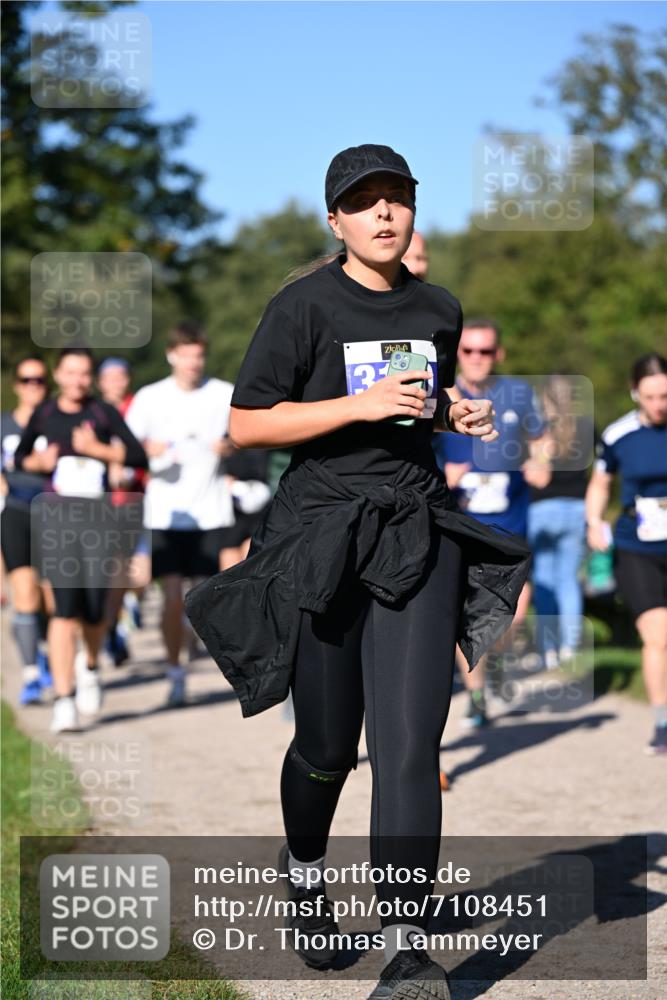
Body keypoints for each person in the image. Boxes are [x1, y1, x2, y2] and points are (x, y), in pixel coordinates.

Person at [185, 144, 531, 1000]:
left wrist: (458, 410)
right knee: (326, 748)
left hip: (416, 530)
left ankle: (408, 950)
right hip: (321, 538)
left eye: (396, 199)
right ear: (334, 220)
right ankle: (305, 871)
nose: (383, 214)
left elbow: (424, 401)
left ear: (413, 211)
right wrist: (359, 405)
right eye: (363, 202)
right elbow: (247, 425)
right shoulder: (302, 305)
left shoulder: (437, 307)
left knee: (410, 746)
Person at [14, 348, 147, 733]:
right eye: (70, 372)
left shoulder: (103, 414)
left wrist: (98, 451)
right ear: (58, 375)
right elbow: (20, 457)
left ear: (91, 378)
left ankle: (89, 666)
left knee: (93, 610)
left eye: (84, 373)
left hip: (99, 520)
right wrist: (37, 463)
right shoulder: (46, 414)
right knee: (64, 610)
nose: (77, 380)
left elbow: (138, 456)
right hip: (57, 520)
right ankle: (64, 700)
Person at [432, 319, 549, 727]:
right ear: (458, 354)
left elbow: (541, 440)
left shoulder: (517, 393)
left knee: (514, 615)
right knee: (469, 616)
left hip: (512, 523)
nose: (477, 359)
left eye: (485, 351)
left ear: (497, 354)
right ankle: (478, 695)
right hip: (463, 524)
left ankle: (491, 663)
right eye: (468, 351)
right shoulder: (442, 396)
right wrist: (444, 477)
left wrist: (540, 462)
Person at [125, 321, 235, 706]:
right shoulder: (151, 397)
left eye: (199, 355)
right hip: (166, 514)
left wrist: (231, 446)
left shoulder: (223, 394)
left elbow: (247, 434)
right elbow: (124, 447)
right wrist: (145, 450)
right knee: (173, 596)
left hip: (210, 512)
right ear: (172, 355)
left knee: (201, 601)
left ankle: (186, 647)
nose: (193, 362)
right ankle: (175, 673)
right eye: (186, 355)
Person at [586, 353, 667, 755]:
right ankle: (662, 723)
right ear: (636, 393)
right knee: (658, 635)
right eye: (651, 396)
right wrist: (593, 522)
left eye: (666, 396)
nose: (659, 405)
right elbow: (601, 483)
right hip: (638, 547)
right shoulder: (620, 435)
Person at [527, 375, 593, 668]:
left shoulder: (540, 431)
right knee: (569, 580)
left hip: (542, 509)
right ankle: (570, 645)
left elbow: (537, 474)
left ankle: (548, 648)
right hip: (577, 508)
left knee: (544, 580)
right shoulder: (587, 428)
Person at [1, 356, 52, 704]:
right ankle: (32, 675)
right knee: (24, 593)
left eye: (39, 380)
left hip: (53, 512)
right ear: (17, 385)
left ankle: (52, 651)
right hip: (15, 512)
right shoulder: (3, 425)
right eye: (26, 379)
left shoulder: (55, 423)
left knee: (50, 597)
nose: (33, 385)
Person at [97, 356, 147, 665]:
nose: (116, 382)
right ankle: (112, 626)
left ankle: (122, 613)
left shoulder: (139, 408)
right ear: (100, 382)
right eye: (109, 377)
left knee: (137, 574)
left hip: (133, 499)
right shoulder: (91, 412)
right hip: (98, 501)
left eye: (121, 376)